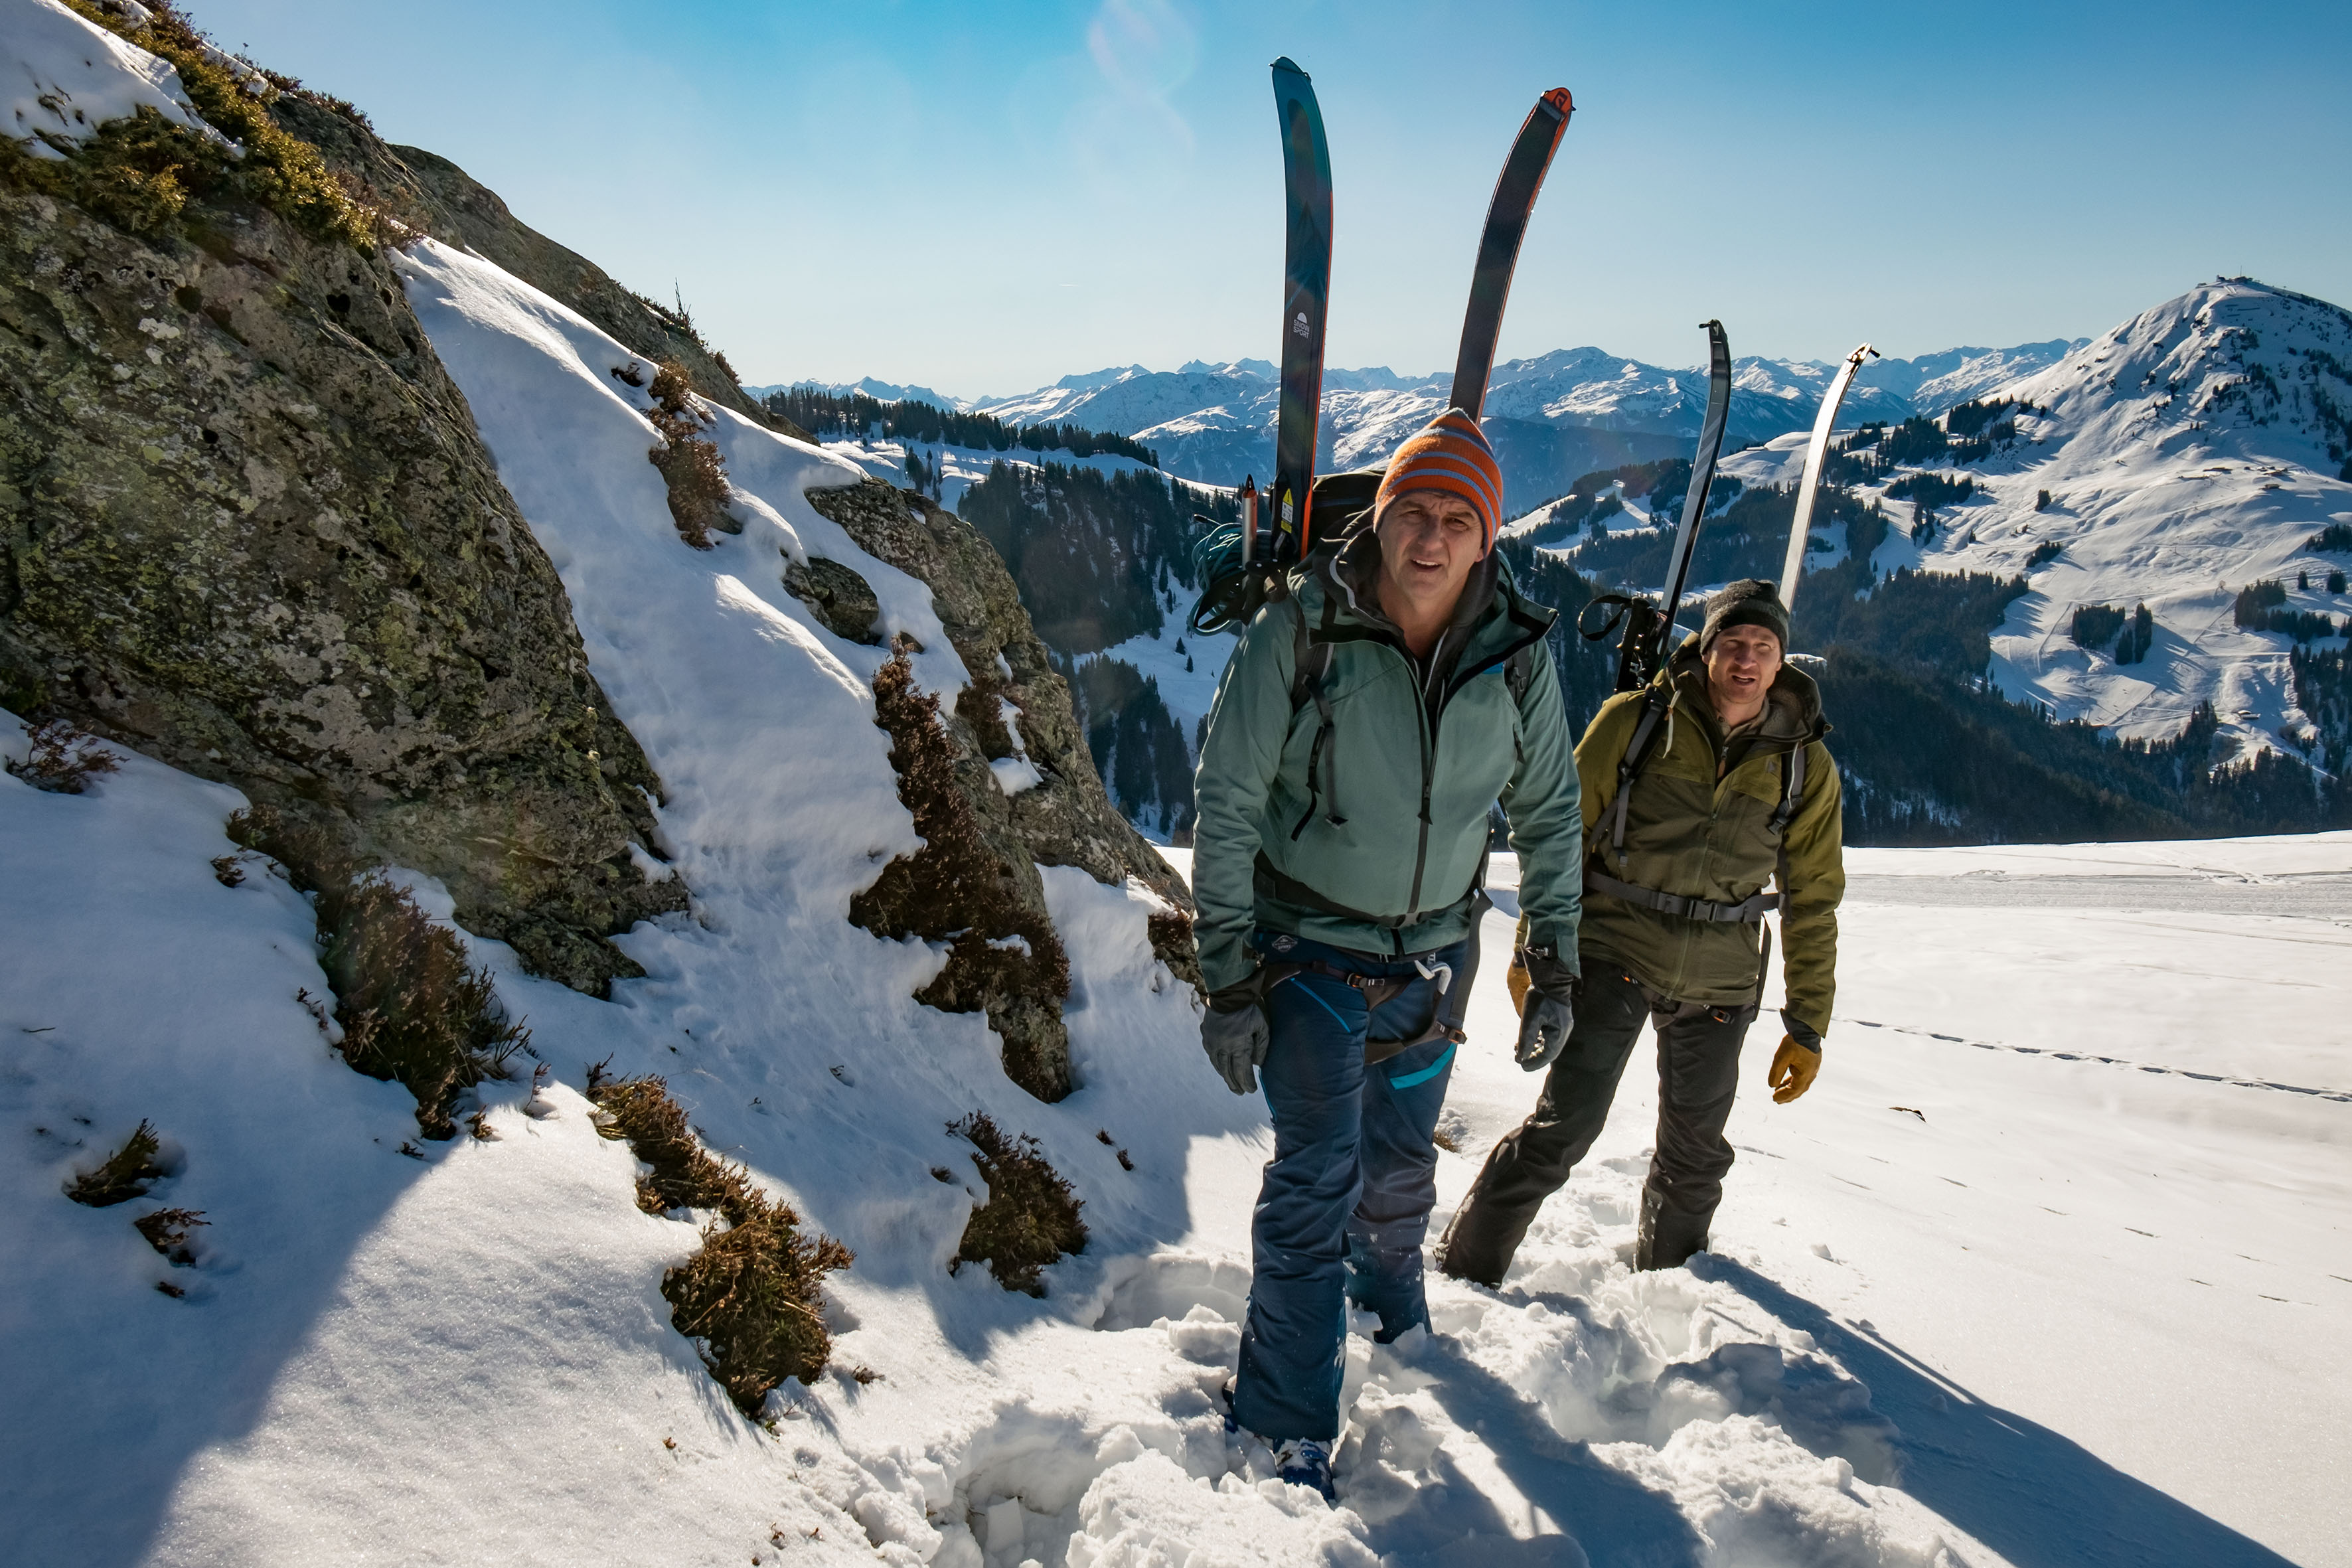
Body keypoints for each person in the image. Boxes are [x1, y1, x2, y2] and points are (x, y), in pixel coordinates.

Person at [1190, 410, 1585, 1500]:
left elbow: (1550, 810)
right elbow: (1225, 802)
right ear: (1381, 516)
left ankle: (1383, 1300)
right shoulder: (1301, 629)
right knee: (1317, 1171)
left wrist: (1552, 959)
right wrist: (1223, 972)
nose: (1431, 536)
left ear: (1487, 539)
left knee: (1398, 1164)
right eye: (1414, 511)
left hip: (1437, 957)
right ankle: (1282, 1418)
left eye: (1458, 519)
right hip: (1302, 945)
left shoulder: (1513, 653)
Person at [1436, 578, 1845, 1287]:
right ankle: (1464, 1271)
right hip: (1615, 947)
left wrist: (1807, 1022)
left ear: (1783, 662)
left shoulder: (1805, 764)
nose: (1746, 660)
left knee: (1695, 1153)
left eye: (1764, 647)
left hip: (1722, 976)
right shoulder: (1638, 721)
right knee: (1565, 1126)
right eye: (1733, 643)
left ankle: (1669, 1289)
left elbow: (1814, 898)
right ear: (1707, 647)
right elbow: (1562, 833)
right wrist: (1537, 945)